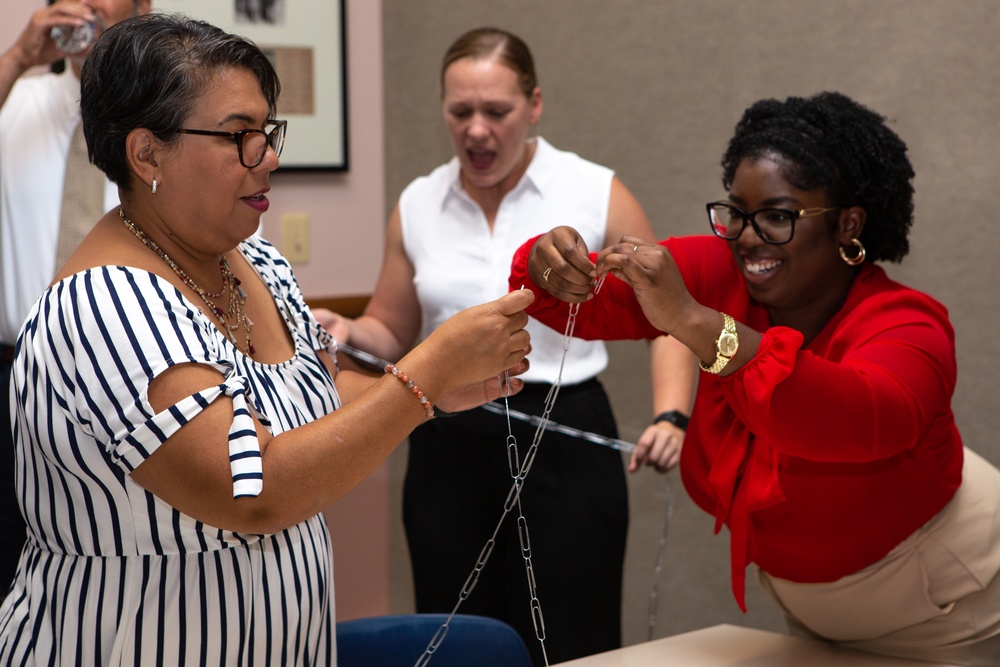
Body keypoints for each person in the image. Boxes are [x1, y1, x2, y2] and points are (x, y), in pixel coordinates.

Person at [0, 13, 534, 664]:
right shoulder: (105, 303)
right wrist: (425, 376)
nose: (269, 156)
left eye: (267, 130)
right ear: (146, 154)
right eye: (238, 136)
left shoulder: (254, 259)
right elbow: (252, 489)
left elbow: (318, 387)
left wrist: (439, 391)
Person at [510, 91, 1000, 666]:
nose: (746, 237)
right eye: (736, 213)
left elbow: (865, 418)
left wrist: (700, 327)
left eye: (777, 216)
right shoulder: (718, 274)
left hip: (953, 607)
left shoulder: (908, 323)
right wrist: (550, 264)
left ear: (848, 225)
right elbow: (580, 304)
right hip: (818, 620)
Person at [313, 26, 695, 665]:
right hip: (447, 436)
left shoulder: (596, 190)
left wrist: (671, 414)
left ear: (535, 104)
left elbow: (669, 320)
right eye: (461, 112)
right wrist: (350, 336)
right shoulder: (418, 202)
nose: (477, 130)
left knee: (576, 633)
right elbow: (389, 327)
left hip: (564, 434)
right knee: (459, 636)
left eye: (497, 111)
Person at [0, 0, 153, 595]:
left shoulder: (172, 120)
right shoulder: (20, 101)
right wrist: (18, 57)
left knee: (115, 571)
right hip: (17, 385)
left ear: (141, 8)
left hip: (137, 387)